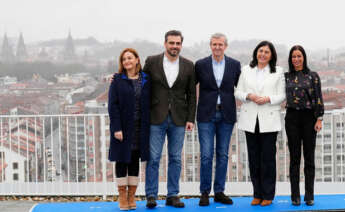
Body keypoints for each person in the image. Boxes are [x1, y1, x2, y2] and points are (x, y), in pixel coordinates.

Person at [144, 30, 196, 208]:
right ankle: (151, 195)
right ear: (165, 43)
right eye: (171, 43)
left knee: (175, 158)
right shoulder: (152, 62)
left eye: (178, 43)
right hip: (155, 117)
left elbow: (191, 94)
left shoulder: (189, 65)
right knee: (154, 158)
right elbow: (141, 83)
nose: (175, 46)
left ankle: (172, 195)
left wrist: (191, 118)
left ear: (181, 45)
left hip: (179, 119)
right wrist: (118, 77)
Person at [235, 41, 285, 206]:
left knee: (268, 160)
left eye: (267, 52)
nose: (263, 54)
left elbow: (282, 95)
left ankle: (268, 194)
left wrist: (268, 99)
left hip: (269, 119)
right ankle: (257, 193)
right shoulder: (246, 70)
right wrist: (249, 95)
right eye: (261, 51)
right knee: (254, 159)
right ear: (256, 53)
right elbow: (238, 91)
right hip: (250, 119)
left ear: (272, 56)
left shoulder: (278, 72)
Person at [195, 33, 241, 206]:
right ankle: (205, 192)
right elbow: (189, 88)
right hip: (206, 115)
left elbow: (242, 86)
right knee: (206, 155)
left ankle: (219, 192)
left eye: (220, 44)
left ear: (225, 46)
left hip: (226, 114)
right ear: (210, 46)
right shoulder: (200, 65)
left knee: (222, 154)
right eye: (214, 44)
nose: (217, 47)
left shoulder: (235, 65)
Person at [108, 48, 151, 210]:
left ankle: (131, 196)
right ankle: (122, 197)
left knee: (134, 161)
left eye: (130, 58)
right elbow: (113, 106)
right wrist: (117, 128)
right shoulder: (117, 80)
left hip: (140, 127)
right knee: (121, 161)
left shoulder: (146, 79)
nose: (127, 61)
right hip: (123, 128)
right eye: (124, 59)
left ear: (137, 60)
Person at [285, 45, 324, 206]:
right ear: (290, 59)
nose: (296, 59)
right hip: (292, 118)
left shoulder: (313, 76)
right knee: (294, 159)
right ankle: (295, 196)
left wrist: (319, 118)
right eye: (293, 56)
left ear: (304, 57)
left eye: (299, 56)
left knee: (309, 158)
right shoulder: (286, 76)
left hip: (309, 118)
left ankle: (309, 195)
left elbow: (318, 97)